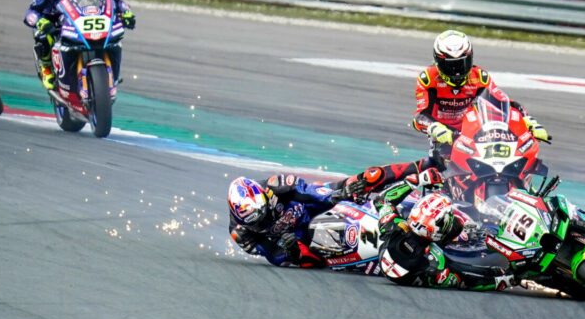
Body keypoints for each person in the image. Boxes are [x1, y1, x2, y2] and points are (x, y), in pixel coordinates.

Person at [336, 29, 551, 201]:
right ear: (438, 62)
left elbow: (505, 103)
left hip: (477, 135)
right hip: (446, 140)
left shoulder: (480, 77)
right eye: (451, 66)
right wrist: (436, 128)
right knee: (439, 173)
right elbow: (420, 116)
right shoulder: (428, 79)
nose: (457, 72)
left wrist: (528, 122)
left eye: (461, 64)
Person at [375, 169, 519, 291]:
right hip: (415, 272)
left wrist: (415, 181)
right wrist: (505, 279)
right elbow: (468, 278)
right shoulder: (434, 265)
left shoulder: (394, 227)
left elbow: (381, 201)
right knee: (457, 275)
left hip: (392, 254)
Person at [23, 0, 136, 90]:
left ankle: (110, 71)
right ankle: (47, 68)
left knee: (112, 36)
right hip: (55, 22)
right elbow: (31, 13)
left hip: (83, 18)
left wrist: (126, 12)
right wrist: (41, 22)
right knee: (42, 36)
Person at [227, 173, 337, 267]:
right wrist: (292, 252)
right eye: (256, 225)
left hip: (305, 210)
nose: (264, 224)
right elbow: (273, 254)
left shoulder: (275, 184)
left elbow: (305, 191)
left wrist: (334, 196)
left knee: (339, 187)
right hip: (291, 237)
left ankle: (343, 196)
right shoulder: (239, 232)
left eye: (264, 218)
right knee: (309, 260)